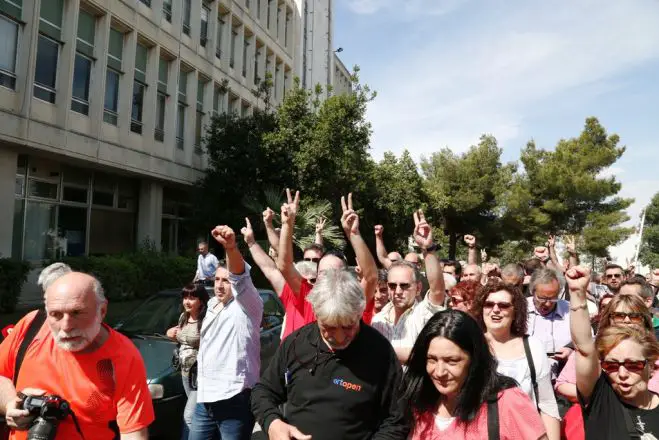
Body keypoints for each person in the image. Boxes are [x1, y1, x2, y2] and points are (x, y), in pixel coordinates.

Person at [251, 269, 409, 440]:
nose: (340, 338)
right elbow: (264, 391)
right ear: (316, 314)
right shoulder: (296, 343)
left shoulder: (380, 352)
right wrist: (272, 423)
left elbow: (397, 420)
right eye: (329, 327)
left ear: (360, 313)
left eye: (348, 326)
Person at [0, 272, 154, 439]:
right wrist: (9, 405)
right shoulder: (31, 326)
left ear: (102, 311)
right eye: (56, 314)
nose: (66, 326)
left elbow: (133, 434)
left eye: (77, 313)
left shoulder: (124, 356)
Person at [400, 309, 548, 439]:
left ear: (474, 359)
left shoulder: (506, 401)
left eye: (451, 361)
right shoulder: (417, 400)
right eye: (432, 360)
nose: (439, 372)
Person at [568, 265, 659, 439]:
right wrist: (577, 293)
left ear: (651, 364)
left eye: (634, 364)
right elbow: (584, 349)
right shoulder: (600, 395)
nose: (622, 374)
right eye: (611, 365)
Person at [189, 225, 263, 440]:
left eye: (226, 280)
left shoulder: (248, 304)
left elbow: (240, 277)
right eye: (217, 280)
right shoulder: (212, 304)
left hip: (234, 398)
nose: (220, 286)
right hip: (205, 398)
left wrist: (231, 247)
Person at [276, 190, 377, 339]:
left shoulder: (355, 300)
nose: (330, 278)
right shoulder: (309, 298)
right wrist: (287, 224)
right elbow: (285, 266)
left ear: (347, 277)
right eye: (323, 273)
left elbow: (371, 277)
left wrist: (353, 233)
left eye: (336, 273)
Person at [472, 280, 561, 439]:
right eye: (489, 304)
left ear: (515, 311)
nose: (496, 310)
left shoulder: (532, 346)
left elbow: (547, 404)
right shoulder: (471, 346)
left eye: (504, 305)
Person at [555, 293, 659, 404]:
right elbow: (562, 384)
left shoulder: (653, 351)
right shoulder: (591, 348)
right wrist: (600, 397)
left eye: (634, 316)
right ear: (609, 319)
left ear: (644, 320)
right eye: (619, 316)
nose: (627, 320)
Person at [371, 210, 445, 364]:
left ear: (418, 288)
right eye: (392, 286)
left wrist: (428, 248)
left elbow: (437, 291)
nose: (397, 291)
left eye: (404, 286)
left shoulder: (424, 314)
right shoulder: (377, 321)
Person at [166, 284, 210, 440]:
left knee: (189, 416)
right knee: (200, 413)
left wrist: (178, 336)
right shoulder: (184, 317)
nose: (187, 301)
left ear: (201, 301)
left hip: (200, 375)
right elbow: (178, 333)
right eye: (185, 297)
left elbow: (204, 342)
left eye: (192, 297)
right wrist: (170, 333)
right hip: (185, 372)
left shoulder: (206, 320)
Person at [526, 268, 576, 379]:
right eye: (542, 298)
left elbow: (588, 338)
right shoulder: (519, 308)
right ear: (532, 292)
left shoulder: (571, 310)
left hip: (563, 377)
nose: (548, 304)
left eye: (553, 299)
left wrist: (571, 349)